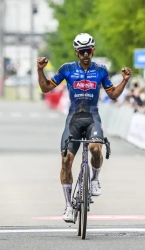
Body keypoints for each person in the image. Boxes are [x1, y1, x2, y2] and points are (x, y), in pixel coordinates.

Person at [37, 33, 132, 223]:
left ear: (93, 50)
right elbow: (46, 88)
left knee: (96, 147)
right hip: (73, 118)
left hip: (92, 117)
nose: (85, 55)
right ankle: (68, 207)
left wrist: (124, 81)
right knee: (66, 161)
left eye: (88, 51)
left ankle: (95, 179)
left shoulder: (101, 70)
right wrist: (40, 70)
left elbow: (113, 95)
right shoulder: (67, 69)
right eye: (81, 52)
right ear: (76, 52)